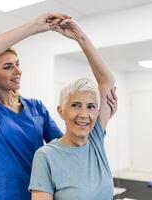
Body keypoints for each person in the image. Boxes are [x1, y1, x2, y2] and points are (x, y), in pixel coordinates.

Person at [0, 13, 72, 200]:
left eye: (17, 64)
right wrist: (34, 27)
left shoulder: (36, 108)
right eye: (8, 67)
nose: (18, 71)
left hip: (35, 193)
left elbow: (62, 146)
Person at [29, 18, 117, 200]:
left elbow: (107, 81)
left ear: (97, 112)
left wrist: (80, 37)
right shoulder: (46, 156)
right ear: (61, 111)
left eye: (91, 107)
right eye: (75, 105)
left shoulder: (95, 141)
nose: (84, 114)